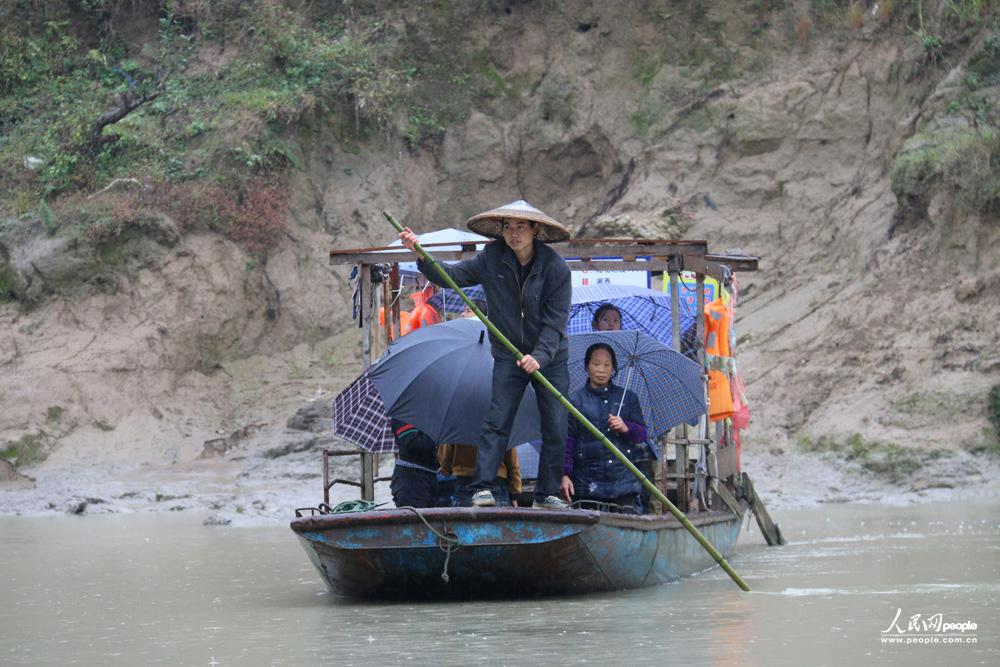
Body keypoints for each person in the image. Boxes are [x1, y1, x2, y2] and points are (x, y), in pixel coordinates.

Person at [399, 200, 571, 509]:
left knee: (556, 424)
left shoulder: (555, 268)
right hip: (508, 353)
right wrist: (420, 254)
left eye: (520, 227)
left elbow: (555, 323)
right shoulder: (491, 258)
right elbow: (450, 276)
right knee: (497, 420)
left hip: (551, 356)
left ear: (535, 230)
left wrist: (540, 357)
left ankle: (546, 494)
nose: (513, 233)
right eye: (508, 227)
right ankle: (483, 487)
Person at [560, 343, 648, 513]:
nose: (601, 370)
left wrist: (626, 427)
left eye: (607, 365)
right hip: (587, 483)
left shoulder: (627, 398)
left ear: (613, 368)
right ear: (587, 367)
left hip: (623, 482)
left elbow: (642, 435)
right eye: (596, 364)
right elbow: (568, 441)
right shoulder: (575, 401)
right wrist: (565, 474)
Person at [438, 443, 521, 507]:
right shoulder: (500, 423)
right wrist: (514, 493)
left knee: (464, 527)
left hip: (464, 487)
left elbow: (445, 462)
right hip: (496, 486)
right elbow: (512, 463)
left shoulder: (455, 422)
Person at [389, 418, 440, 508]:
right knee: (416, 520)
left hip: (432, 477)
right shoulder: (404, 413)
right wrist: (437, 430)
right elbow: (413, 444)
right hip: (411, 482)